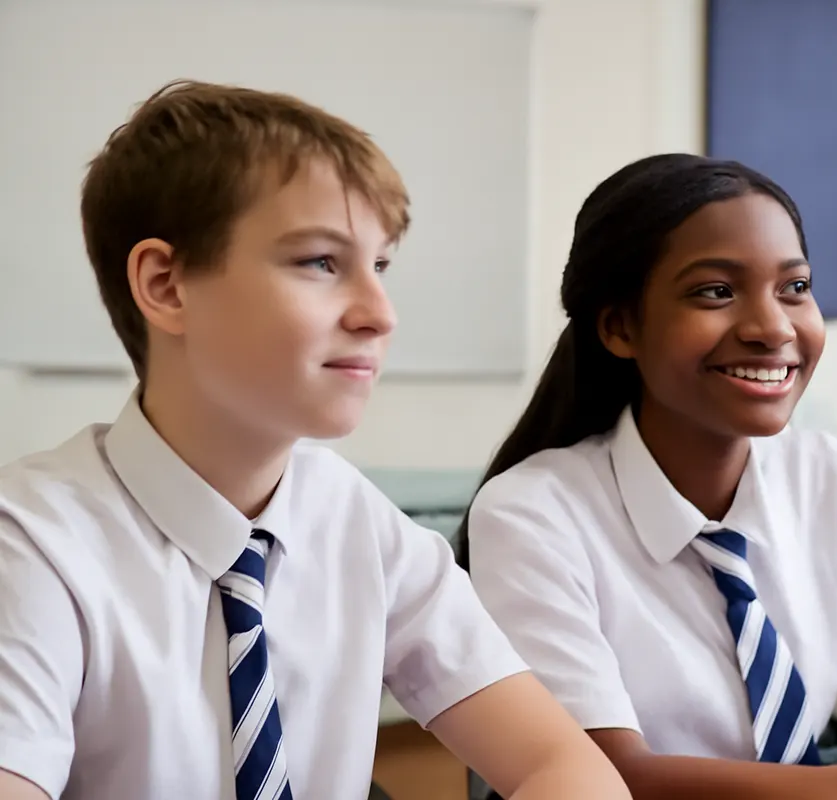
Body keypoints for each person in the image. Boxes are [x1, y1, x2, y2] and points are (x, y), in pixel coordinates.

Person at [0, 80, 631, 800]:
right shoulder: (31, 546)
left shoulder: (359, 524)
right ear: (167, 284)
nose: (380, 313)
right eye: (321, 263)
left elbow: (564, 766)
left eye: (382, 265)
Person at [459, 153, 837, 800]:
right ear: (619, 326)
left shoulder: (826, 477)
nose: (773, 328)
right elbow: (608, 777)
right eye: (715, 292)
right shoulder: (533, 514)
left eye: (794, 288)